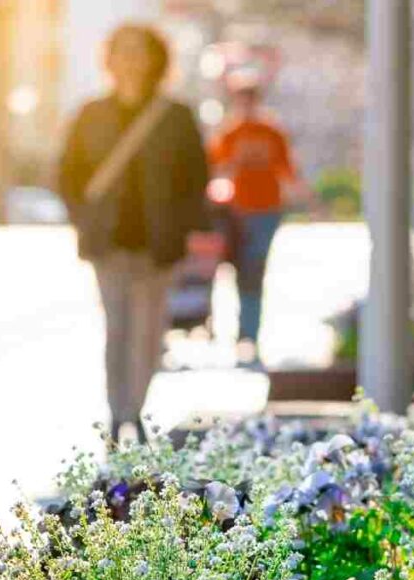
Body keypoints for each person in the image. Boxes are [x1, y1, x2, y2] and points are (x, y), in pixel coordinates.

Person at [59, 24, 209, 443]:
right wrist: (83, 220)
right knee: (116, 329)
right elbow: (68, 175)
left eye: (138, 51)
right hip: (108, 245)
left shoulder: (175, 116)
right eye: (122, 51)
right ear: (109, 59)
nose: (130, 60)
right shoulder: (91, 114)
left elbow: (195, 177)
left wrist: (182, 226)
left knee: (147, 333)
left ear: (155, 59)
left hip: (157, 247)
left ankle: (136, 409)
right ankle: (116, 413)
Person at [208, 78, 301, 366]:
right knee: (239, 271)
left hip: (267, 211)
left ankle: (249, 334)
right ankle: (238, 331)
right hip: (237, 212)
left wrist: (309, 200)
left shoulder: (271, 132)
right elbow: (213, 169)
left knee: (255, 269)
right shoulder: (230, 133)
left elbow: (287, 170)